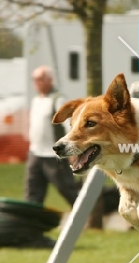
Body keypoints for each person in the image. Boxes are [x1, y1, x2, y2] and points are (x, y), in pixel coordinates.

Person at [25, 65, 78, 211]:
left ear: (49, 80)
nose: (36, 82)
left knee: (67, 189)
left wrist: (73, 150)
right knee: (32, 191)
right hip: (35, 153)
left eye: (40, 79)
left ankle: (86, 216)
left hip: (53, 155)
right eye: (34, 79)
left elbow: (70, 125)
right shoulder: (36, 99)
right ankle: (31, 221)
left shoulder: (58, 99)